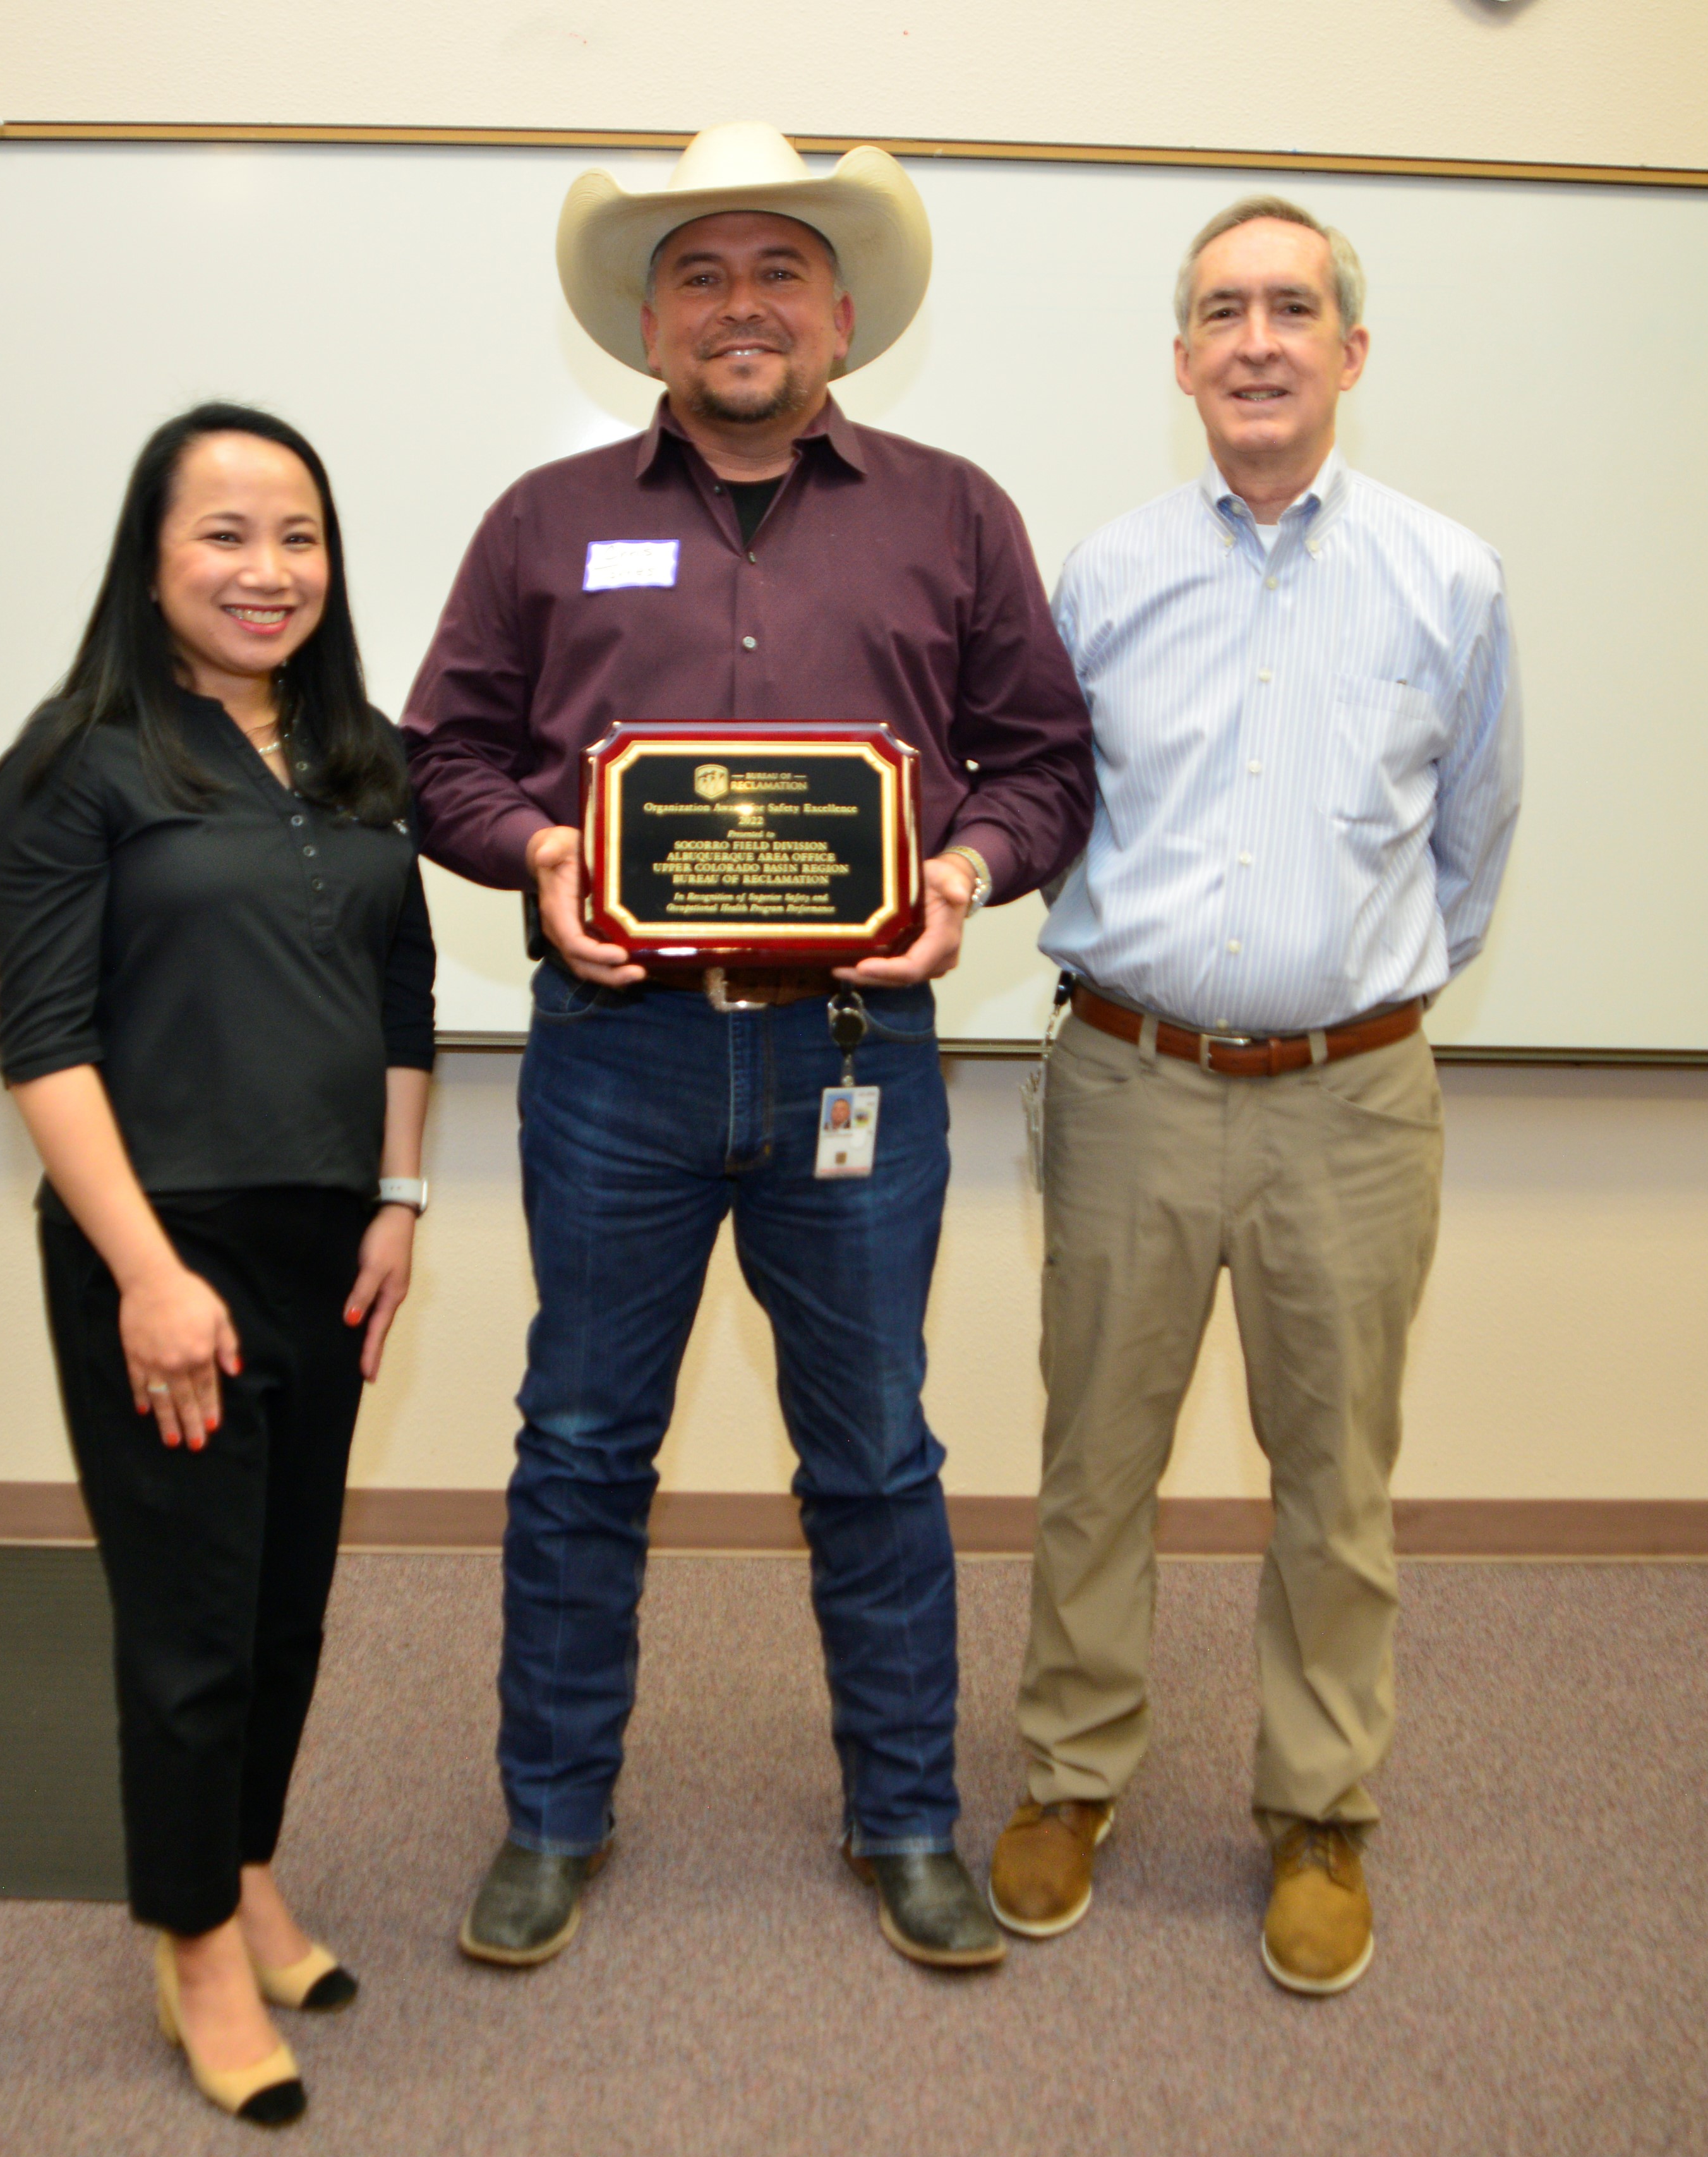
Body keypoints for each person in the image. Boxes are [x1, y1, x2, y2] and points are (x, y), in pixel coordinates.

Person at [403, 122, 1094, 1971]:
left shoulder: (955, 514)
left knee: (874, 1454)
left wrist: (962, 868)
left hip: (854, 1055)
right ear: (647, 326)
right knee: (579, 1445)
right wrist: (542, 852)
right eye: (699, 275)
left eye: (780, 270)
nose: (741, 306)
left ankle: (907, 1820)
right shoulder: (543, 521)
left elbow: (1045, 765)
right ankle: (551, 1816)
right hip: (613, 1059)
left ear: (844, 318)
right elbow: (440, 758)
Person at [990, 198, 1522, 1995]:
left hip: (1349, 1105)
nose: (1257, 341)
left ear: (1350, 352)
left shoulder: (1449, 578)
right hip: (1126, 1079)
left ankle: (1319, 1811)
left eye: (1292, 309)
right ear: (1180, 358)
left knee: (1335, 1477)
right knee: (1095, 1458)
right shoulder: (1103, 576)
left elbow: (1470, 852)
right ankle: (1072, 1778)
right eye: (1222, 311)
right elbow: (1049, 803)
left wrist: (1330, 997)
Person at [0, 404, 435, 2121]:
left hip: (331, 1240)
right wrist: (149, 1279)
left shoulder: (360, 755)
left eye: (298, 536)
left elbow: (402, 1000)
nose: (269, 570)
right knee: (190, 1629)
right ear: (152, 555)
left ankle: (244, 1871)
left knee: (286, 1603)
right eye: (226, 535)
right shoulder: (73, 764)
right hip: (160, 1248)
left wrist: (398, 1200)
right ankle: (191, 1946)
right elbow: (46, 1044)